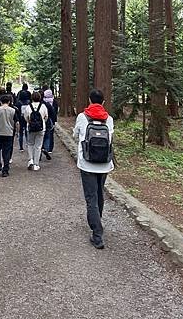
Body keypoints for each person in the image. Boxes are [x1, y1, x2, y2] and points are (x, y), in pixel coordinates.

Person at [73, 89, 114, 250]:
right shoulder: (109, 119)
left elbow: (76, 135)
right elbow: (111, 139)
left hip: (87, 163)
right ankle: (98, 222)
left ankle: (97, 234)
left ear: (90, 101)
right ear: (103, 102)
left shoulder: (82, 117)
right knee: (99, 194)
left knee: (91, 198)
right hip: (104, 163)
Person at [0, 94, 19, 177]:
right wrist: (17, 132)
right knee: (6, 151)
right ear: (9, 102)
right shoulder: (13, 110)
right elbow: (17, 123)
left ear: (0, 102)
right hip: (9, 133)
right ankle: (5, 170)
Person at [23, 90, 48, 171]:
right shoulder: (43, 106)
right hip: (41, 128)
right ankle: (36, 164)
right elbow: (46, 117)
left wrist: (30, 122)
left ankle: (30, 160)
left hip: (30, 128)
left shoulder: (28, 107)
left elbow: (26, 118)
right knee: (38, 146)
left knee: (30, 144)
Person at [41, 88, 58, 160]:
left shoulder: (40, 104)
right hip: (49, 121)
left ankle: (40, 150)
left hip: (40, 122)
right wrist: (54, 121)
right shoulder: (52, 102)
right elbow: (54, 112)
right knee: (49, 136)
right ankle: (48, 149)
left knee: (40, 137)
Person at [16, 82, 31, 151]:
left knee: (21, 133)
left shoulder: (18, 103)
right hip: (27, 118)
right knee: (27, 132)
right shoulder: (29, 102)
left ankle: (21, 147)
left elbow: (16, 111)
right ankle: (28, 144)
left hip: (20, 118)